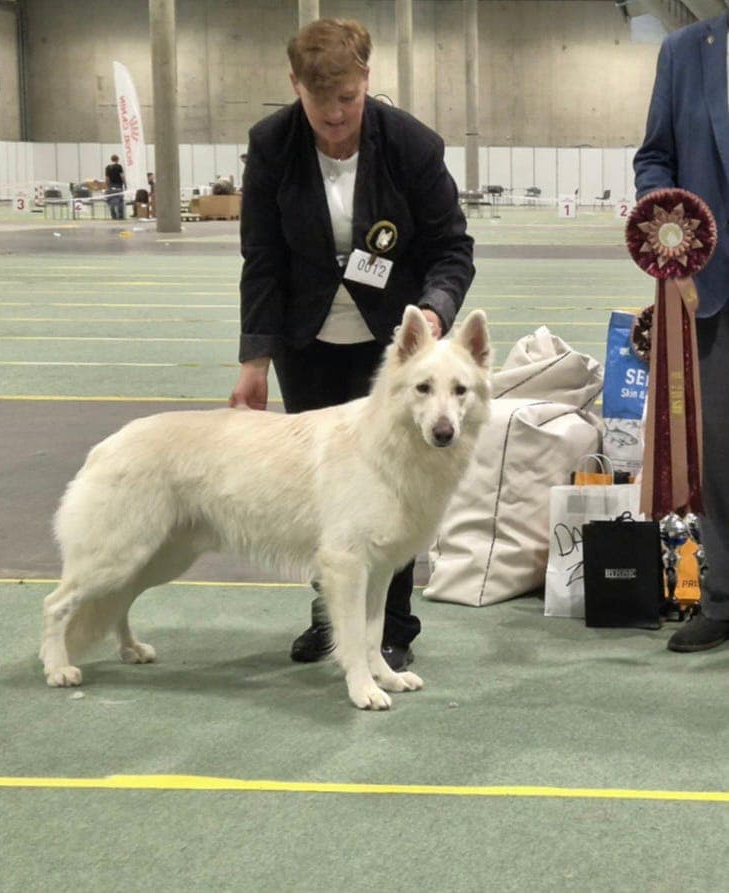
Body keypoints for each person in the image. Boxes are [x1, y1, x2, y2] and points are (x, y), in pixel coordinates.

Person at [229, 17, 475, 671]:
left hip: (394, 345)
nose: (335, 117)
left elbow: (451, 246)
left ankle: (390, 626)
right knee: (328, 493)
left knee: (397, 488)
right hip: (306, 341)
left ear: (366, 81)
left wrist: (433, 312)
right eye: (320, 103)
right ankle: (333, 621)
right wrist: (254, 360)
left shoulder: (411, 145)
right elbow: (261, 258)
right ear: (295, 87)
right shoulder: (272, 144)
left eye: (347, 100)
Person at [634, 10, 729, 653]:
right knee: (718, 451)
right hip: (712, 287)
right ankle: (722, 598)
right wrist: (667, 220)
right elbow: (656, 156)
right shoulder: (685, 51)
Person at [105, 154, 126, 220]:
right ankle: (120, 216)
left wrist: (107, 186)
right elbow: (122, 176)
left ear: (111, 159)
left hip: (111, 186)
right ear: (117, 159)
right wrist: (125, 184)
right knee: (120, 200)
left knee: (111, 201)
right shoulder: (119, 166)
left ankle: (113, 216)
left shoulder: (108, 167)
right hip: (118, 185)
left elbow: (107, 178)